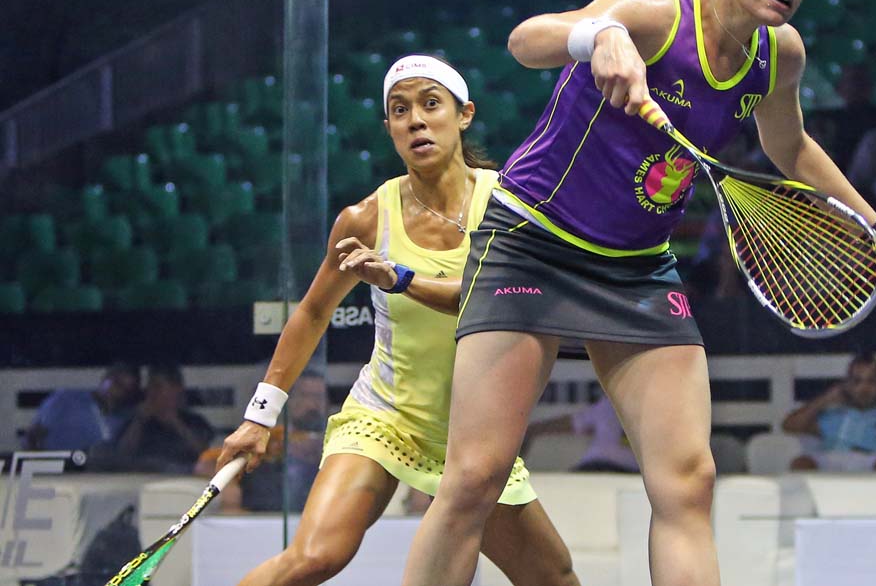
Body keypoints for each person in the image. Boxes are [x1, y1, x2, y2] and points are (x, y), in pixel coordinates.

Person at [397, 0, 876, 586]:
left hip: (637, 269)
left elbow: (790, 146)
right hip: (533, 244)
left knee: (689, 482)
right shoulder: (657, 13)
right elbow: (526, 41)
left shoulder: (778, 54)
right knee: (476, 477)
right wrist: (600, 36)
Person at [216, 55, 578, 586]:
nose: (416, 121)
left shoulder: (507, 204)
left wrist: (400, 279)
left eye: (431, 104)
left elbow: (493, 300)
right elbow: (313, 312)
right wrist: (260, 416)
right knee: (313, 558)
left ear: (464, 115)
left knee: (554, 578)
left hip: (476, 437)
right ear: (389, 128)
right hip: (384, 420)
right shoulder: (366, 218)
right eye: (400, 110)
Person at [196, 370, 329, 512]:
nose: (312, 404)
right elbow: (207, 463)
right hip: (263, 515)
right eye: (304, 396)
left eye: (319, 397)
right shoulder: (270, 437)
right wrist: (229, 485)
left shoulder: (339, 439)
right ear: (289, 401)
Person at [781, 352, 876, 472]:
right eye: (857, 381)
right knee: (801, 463)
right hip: (833, 457)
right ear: (848, 384)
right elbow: (789, 426)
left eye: (871, 381)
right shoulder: (834, 411)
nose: (864, 389)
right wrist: (825, 400)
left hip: (871, 459)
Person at [113, 363, 213, 473]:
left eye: (157, 386)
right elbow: (121, 455)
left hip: (183, 477)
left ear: (176, 389)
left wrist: (176, 423)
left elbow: (205, 453)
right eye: (150, 387)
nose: (151, 392)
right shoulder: (137, 422)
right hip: (143, 476)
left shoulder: (194, 421)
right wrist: (139, 421)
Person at [23, 361, 141, 455]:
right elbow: (33, 435)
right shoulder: (66, 399)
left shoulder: (126, 418)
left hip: (92, 471)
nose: (118, 391)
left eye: (127, 390)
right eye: (117, 383)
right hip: (53, 465)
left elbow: (125, 453)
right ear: (105, 380)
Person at [523, 393, 640, 473]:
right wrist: (531, 430)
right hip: (602, 467)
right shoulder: (609, 403)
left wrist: (531, 430)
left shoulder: (609, 402)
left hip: (598, 466)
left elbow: (571, 423)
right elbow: (572, 423)